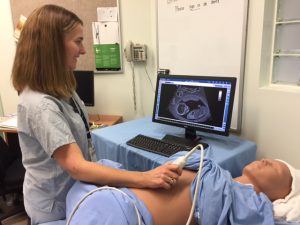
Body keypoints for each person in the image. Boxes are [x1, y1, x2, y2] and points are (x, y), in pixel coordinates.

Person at [11, 4, 182, 224]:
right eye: (78, 41)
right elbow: (76, 167)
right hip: (57, 206)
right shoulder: (40, 105)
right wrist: (145, 178)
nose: (83, 51)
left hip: (77, 193)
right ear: (52, 46)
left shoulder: (62, 86)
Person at [66, 152, 299, 225]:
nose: (268, 161)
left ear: (283, 195)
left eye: (279, 169)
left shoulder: (254, 206)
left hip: (122, 215)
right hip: (96, 194)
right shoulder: (214, 167)